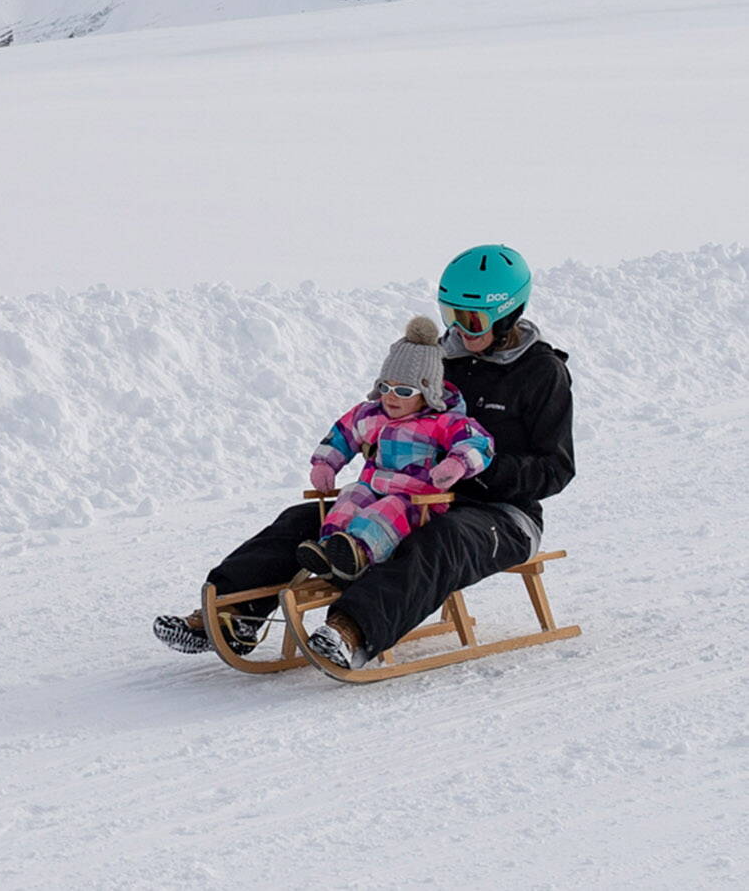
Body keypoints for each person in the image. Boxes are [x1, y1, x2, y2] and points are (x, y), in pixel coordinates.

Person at [153, 244, 573, 671]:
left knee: (440, 541)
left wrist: (475, 472)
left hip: (498, 513)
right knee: (306, 520)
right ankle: (229, 615)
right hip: (406, 497)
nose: (460, 330)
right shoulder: (437, 358)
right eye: (451, 315)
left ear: (508, 314)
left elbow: (556, 469)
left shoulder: (541, 373)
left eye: (472, 319)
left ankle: (350, 631)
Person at [293, 315, 494, 586]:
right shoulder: (373, 414)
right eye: (385, 387)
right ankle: (330, 549)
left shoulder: (442, 421)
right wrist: (325, 463)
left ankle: (359, 553)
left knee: (389, 507)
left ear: (428, 392)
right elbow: (344, 432)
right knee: (353, 493)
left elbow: (479, 443)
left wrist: (457, 463)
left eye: (403, 390)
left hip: (417, 503)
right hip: (374, 488)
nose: (390, 396)